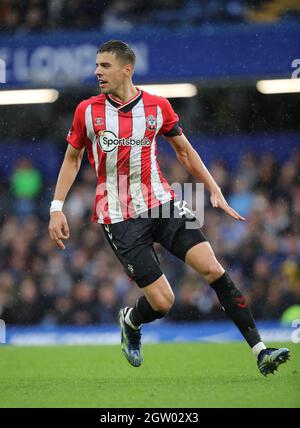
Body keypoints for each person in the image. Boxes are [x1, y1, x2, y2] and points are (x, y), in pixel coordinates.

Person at [48, 40, 290, 376]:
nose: (97, 72)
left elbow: (185, 151)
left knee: (212, 268)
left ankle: (260, 351)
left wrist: (214, 189)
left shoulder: (157, 106)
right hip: (119, 216)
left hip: (162, 203)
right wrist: (56, 207)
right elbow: (72, 158)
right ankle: (132, 320)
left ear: (126, 69)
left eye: (104, 65)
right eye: (97, 65)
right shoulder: (87, 111)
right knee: (163, 302)